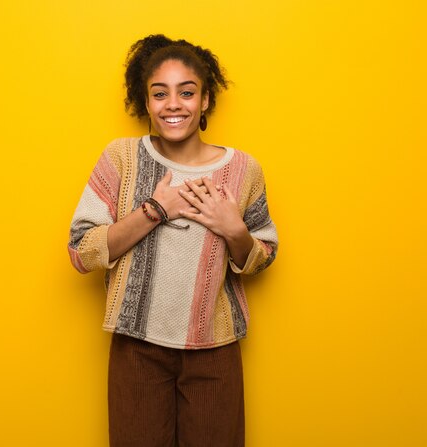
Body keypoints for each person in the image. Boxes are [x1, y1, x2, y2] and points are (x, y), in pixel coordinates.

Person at [68, 34, 278, 447]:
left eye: (187, 92)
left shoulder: (243, 170)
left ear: (204, 101)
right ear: (145, 103)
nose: (173, 104)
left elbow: (264, 252)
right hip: (136, 346)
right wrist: (155, 210)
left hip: (215, 349)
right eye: (159, 93)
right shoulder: (122, 158)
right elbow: (80, 250)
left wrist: (233, 228)